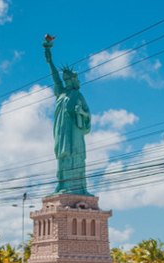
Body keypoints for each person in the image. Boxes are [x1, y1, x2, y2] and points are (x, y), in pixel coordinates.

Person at [44, 36, 91, 195]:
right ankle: (61, 185)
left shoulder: (78, 95)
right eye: (65, 79)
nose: (66, 81)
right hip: (62, 132)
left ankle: (79, 188)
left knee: (76, 156)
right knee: (63, 156)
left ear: (74, 80)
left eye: (69, 79)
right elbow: (54, 77)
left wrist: (81, 112)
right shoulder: (61, 93)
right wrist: (49, 58)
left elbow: (87, 116)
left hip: (75, 131)